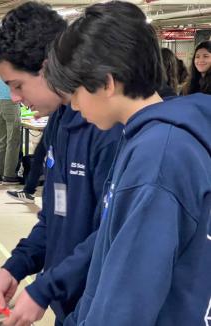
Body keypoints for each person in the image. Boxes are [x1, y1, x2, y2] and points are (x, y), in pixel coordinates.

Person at [45, 2, 211, 325]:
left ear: (107, 83)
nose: (74, 106)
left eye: (75, 92)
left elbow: (127, 304)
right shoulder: (147, 137)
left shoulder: (159, 157)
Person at [0, 2, 122, 325]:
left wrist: (45, 288)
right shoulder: (60, 119)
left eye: (17, 85)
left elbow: (111, 234)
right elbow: (54, 218)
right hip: (68, 305)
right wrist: (15, 268)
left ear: (47, 67)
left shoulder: (107, 129)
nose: (14, 98)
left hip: (100, 307)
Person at [0, 79, 21, 185]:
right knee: (12, 141)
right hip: (10, 104)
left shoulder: (4, 70)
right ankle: (9, 175)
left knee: (1, 141)